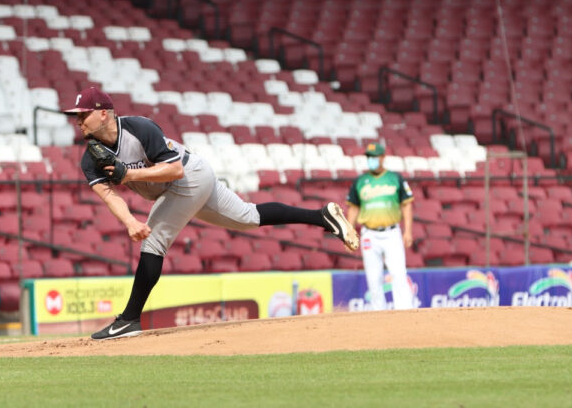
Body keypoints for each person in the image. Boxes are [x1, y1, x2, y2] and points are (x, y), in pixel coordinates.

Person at [63, 87, 360, 340]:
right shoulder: (91, 159)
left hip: (189, 176)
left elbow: (175, 169)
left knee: (153, 244)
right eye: (75, 115)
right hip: (181, 184)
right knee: (248, 217)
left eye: (83, 113)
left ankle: (129, 319)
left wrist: (128, 176)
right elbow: (108, 195)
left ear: (104, 113)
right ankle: (322, 216)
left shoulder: (140, 128)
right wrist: (129, 221)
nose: (77, 120)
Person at [345, 142, 414, 310]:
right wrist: (348, 233)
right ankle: (378, 314)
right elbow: (353, 208)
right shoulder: (360, 181)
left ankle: (404, 312)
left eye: (374, 157)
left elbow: (406, 204)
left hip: (391, 231)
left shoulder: (395, 178)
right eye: (369, 157)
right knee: (373, 277)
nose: (371, 160)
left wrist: (408, 231)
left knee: (398, 273)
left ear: (383, 157)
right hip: (369, 233)